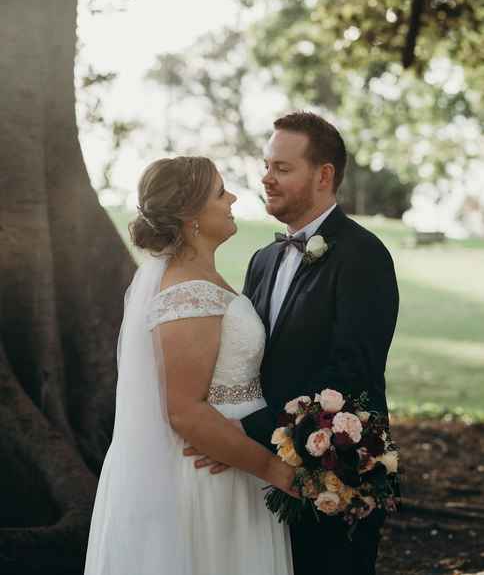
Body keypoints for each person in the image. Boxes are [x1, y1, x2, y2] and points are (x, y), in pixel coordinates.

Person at [187, 112, 399, 575]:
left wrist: (243, 434)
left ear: (323, 176)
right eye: (267, 165)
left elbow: (349, 376)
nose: (266, 178)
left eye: (282, 168)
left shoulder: (364, 257)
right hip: (266, 481)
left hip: (335, 476)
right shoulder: (264, 260)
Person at [83, 155, 295, 575]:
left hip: (237, 459)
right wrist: (272, 467)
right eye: (220, 192)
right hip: (212, 475)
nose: (232, 197)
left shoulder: (202, 280)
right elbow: (184, 408)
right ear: (189, 215)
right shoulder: (186, 295)